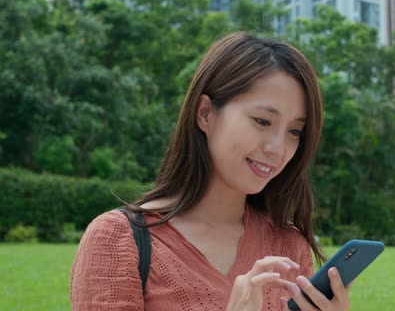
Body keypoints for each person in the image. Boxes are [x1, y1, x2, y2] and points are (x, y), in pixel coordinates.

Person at [70, 32, 352, 310]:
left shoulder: (289, 246)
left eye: (294, 131)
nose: (278, 149)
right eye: (263, 121)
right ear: (205, 113)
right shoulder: (118, 240)